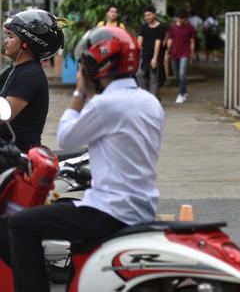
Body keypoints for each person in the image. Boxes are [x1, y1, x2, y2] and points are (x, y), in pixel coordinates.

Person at [0, 26, 164, 291]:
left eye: (86, 64)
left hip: (108, 210)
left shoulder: (106, 104)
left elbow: (66, 137)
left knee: (19, 226)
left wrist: (80, 91)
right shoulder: (150, 102)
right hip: (141, 205)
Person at [0, 9, 65, 152]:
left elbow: (4, 115)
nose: (5, 41)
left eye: (10, 36)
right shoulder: (14, 68)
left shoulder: (30, 74)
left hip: (19, 159)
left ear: (26, 43)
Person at [166, 10, 196, 104]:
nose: (179, 20)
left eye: (181, 18)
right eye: (178, 18)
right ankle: (185, 91)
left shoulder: (190, 27)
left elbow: (192, 42)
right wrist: (167, 51)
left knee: (182, 73)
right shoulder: (172, 26)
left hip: (185, 53)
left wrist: (192, 54)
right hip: (174, 52)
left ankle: (181, 94)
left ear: (185, 18)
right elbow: (170, 39)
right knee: (177, 75)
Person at [137, 6, 167, 98]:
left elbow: (158, 43)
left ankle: (153, 100)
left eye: (149, 15)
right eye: (145, 16)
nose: (147, 17)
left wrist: (154, 58)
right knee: (139, 75)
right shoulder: (144, 27)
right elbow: (139, 41)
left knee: (154, 79)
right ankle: (146, 96)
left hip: (156, 55)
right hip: (145, 55)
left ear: (154, 14)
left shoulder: (161, 27)